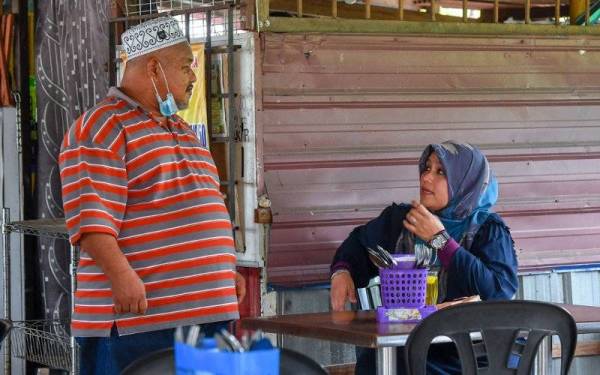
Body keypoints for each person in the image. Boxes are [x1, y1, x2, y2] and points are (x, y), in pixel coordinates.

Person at [58, 17, 246, 374]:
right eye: (184, 67)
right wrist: (120, 277)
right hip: (138, 322)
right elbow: (91, 219)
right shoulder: (102, 126)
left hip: (204, 317)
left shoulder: (182, 129)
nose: (193, 77)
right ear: (154, 68)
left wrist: (224, 268)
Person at [329, 141, 519, 375]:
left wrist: (440, 241)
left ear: (466, 182)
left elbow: (498, 292)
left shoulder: (487, 229)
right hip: (413, 347)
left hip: (473, 357)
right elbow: (359, 243)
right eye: (426, 168)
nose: (426, 178)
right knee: (375, 363)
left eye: (440, 172)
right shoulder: (403, 221)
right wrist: (342, 271)